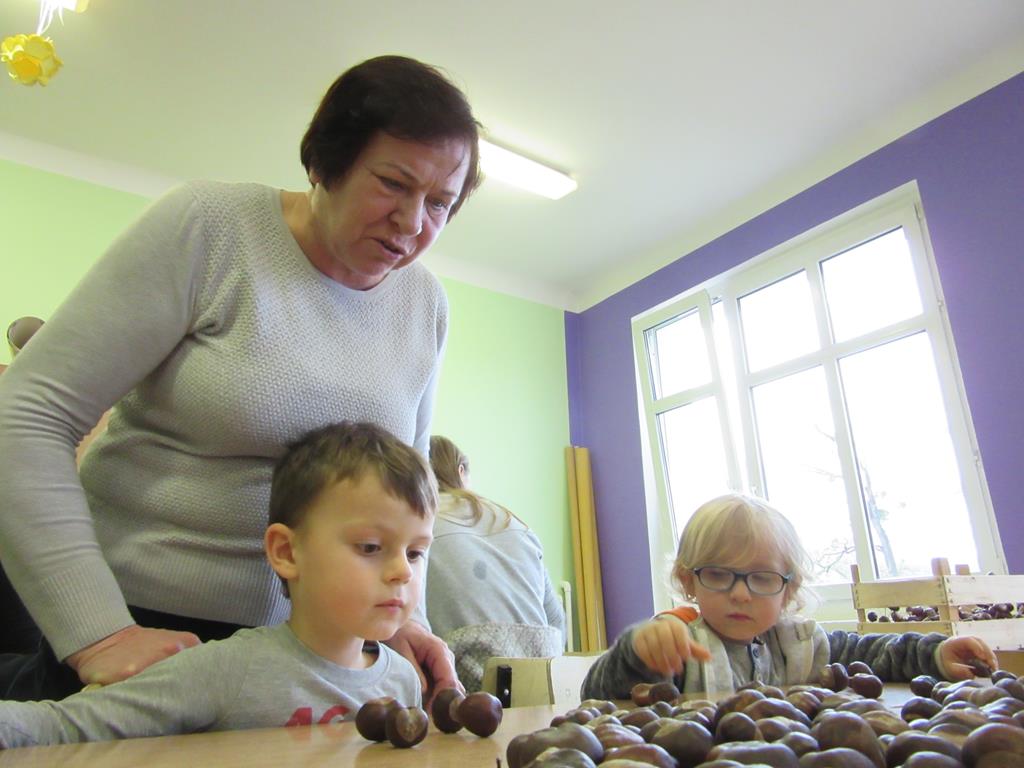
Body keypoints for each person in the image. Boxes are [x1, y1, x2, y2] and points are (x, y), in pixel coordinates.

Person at [0, 54, 482, 703]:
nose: (413, 222)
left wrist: (405, 621)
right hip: (143, 637)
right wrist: (98, 634)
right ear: (325, 163)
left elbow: (406, 490)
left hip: (306, 652)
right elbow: (26, 414)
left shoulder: (424, 304)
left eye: (440, 203)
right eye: (394, 184)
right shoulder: (211, 228)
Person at [0, 421, 434, 748]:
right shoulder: (227, 670)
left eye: (415, 553)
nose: (403, 571)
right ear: (286, 552)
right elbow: (66, 725)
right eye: (370, 547)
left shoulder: (402, 683)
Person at [581, 493, 999, 699]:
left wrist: (935, 655)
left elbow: (873, 654)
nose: (740, 594)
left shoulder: (799, 642)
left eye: (762, 578)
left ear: (789, 590)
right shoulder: (677, 646)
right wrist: (636, 655)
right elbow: (597, 695)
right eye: (719, 575)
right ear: (688, 581)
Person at [426, 435, 565, 691]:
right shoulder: (513, 522)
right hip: (541, 682)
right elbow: (556, 621)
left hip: (463, 688)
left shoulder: (418, 523)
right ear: (460, 471)